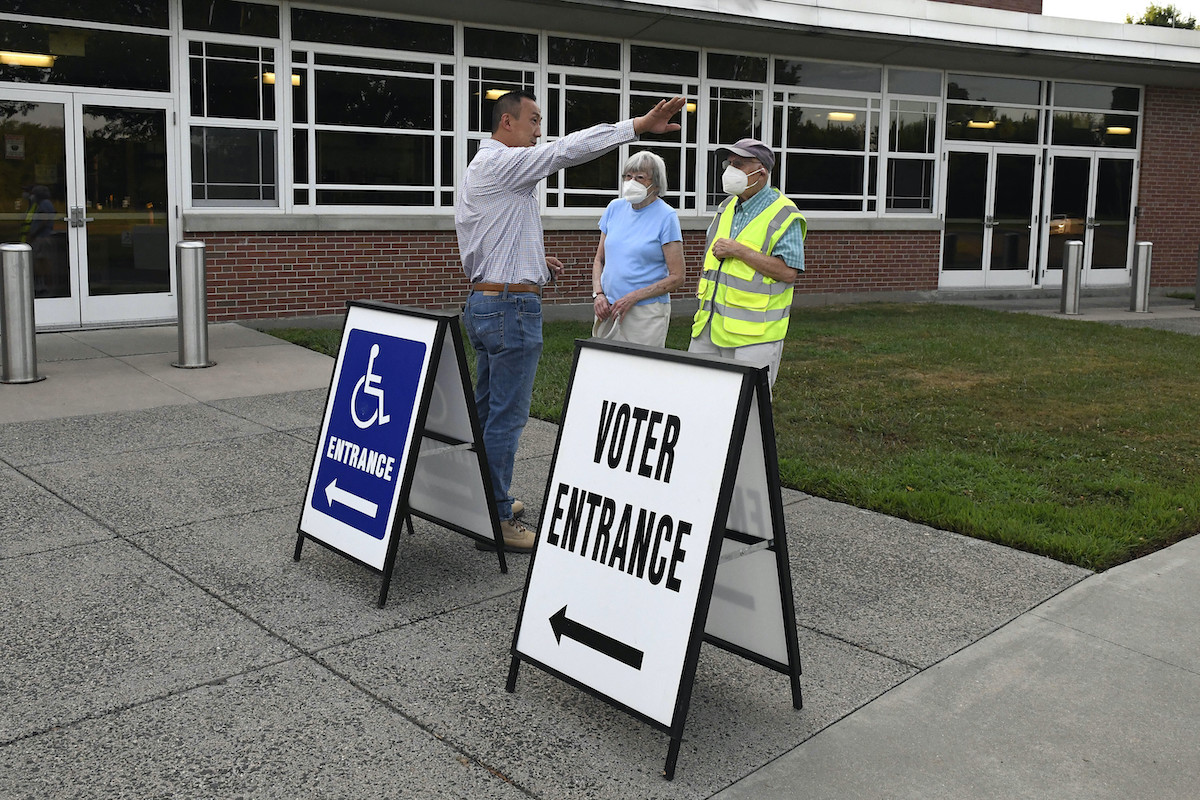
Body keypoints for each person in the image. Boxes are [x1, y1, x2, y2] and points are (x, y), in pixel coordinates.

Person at [456, 90, 686, 553]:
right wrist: (637, 127)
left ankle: (479, 498)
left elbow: (491, 237)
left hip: (485, 301)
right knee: (506, 417)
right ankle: (496, 518)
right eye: (533, 121)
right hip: (509, 310)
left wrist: (535, 264)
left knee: (485, 410)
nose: (539, 132)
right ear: (507, 123)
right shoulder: (504, 163)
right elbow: (567, 150)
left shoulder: (481, 168)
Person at [688, 138, 806, 389]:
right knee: (699, 398)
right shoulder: (726, 206)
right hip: (708, 327)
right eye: (729, 163)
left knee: (749, 406)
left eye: (739, 164)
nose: (730, 170)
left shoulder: (785, 214)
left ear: (761, 172)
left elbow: (788, 272)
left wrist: (739, 251)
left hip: (754, 337)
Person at [590, 150, 684, 346]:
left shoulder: (666, 216)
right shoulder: (614, 208)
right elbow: (600, 259)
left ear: (656, 184)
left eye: (639, 177)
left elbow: (677, 277)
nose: (631, 182)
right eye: (628, 176)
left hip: (645, 313)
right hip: (608, 308)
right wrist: (598, 294)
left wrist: (634, 297)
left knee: (641, 365)